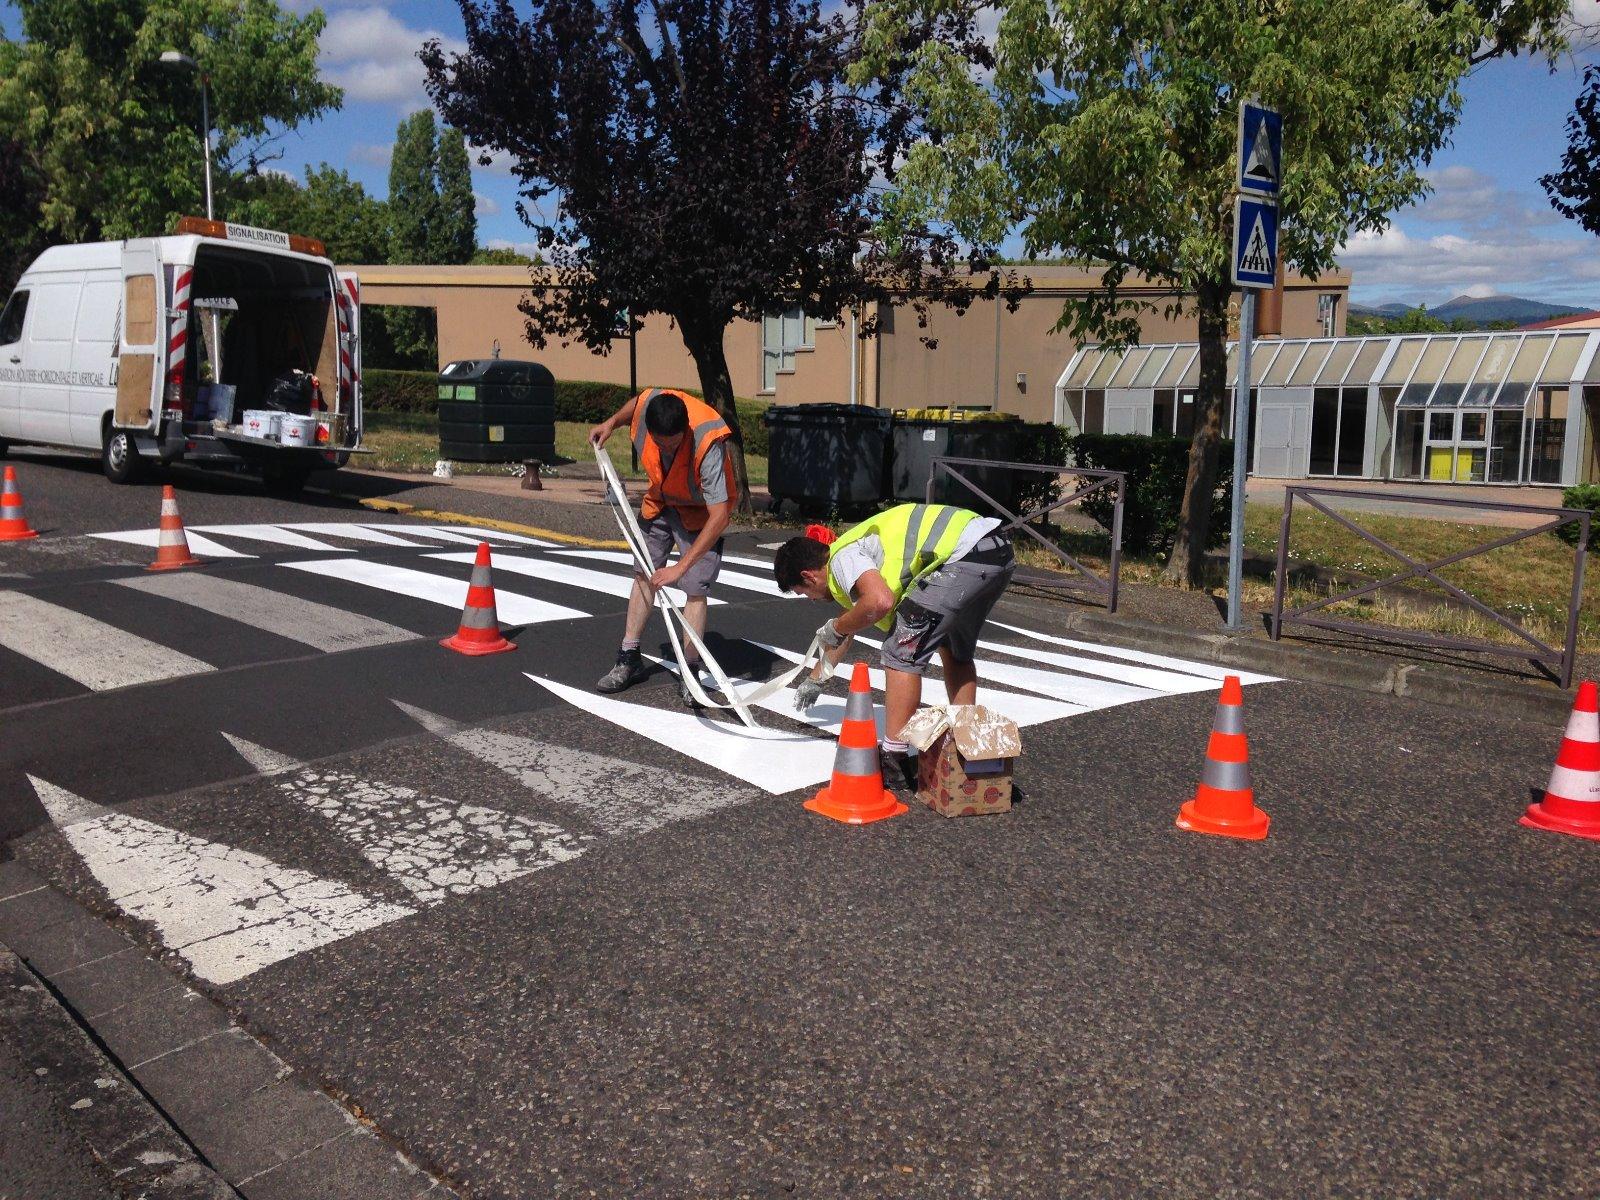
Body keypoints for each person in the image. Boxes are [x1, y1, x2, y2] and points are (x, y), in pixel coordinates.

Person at [772, 503, 1015, 786]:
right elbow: (852, 622)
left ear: (808, 576)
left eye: (804, 593)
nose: (810, 599)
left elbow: (878, 602)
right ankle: (967, 746)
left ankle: (893, 759)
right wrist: (816, 677)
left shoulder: (842, 558)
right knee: (954, 651)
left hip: (961, 555)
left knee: (900, 652)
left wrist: (837, 627)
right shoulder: (851, 561)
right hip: (995, 549)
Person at [588, 387, 734, 705]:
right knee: (644, 572)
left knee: (695, 586)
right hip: (662, 500)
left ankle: (691, 670)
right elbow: (638, 403)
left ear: (685, 430)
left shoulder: (708, 445)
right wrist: (611, 422)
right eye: (660, 443)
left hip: (700, 514)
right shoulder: (647, 412)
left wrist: (681, 568)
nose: (667, 449)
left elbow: (719, 516)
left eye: (674, 443)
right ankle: (629, 657)